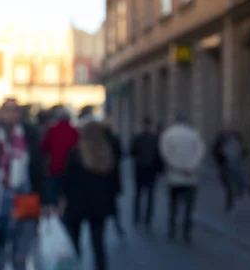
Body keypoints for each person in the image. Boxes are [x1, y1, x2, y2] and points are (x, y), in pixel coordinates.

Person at [0, 98, 44, 270]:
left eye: (14, 110)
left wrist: (46, 198)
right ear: (0, 113)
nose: (10, 114)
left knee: (20, 258)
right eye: (7, 110)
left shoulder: (30, 134)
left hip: (25, 199)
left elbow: (39, 168)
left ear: (19, 114)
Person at [61, 121, 120, 270]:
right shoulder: (107, 153)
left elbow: (67, 180)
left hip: (77, 203)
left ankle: (75, 267)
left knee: (75, 242)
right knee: (98, 244)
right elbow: (115, 183)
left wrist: (64, 199)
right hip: (100, 205)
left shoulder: (76, 153)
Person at [160, 114, 206, 243]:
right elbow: (200, 152)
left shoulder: (167, 134)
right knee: (189, 206)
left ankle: (172, 229)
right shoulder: (194, 134)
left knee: (173, 205)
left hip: (174, 177)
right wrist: (190, 166)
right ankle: (186, 231)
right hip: (191, 177)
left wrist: (178, 167)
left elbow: (165, 154)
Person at [41, 109, 79, 213]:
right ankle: (65, 211)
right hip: (70, 168)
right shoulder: (74, 131)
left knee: (53, 192)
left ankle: (54, 212)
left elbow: (44, 147)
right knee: (68, 193)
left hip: (55, 166)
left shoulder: (52, 130)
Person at [130, 117, 162, 229]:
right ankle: (148, 218)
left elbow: (131, 152)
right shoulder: (154, 138)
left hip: (140, 168)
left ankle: (137, 216)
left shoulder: (137, 137)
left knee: (138, 193)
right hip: (151, 169)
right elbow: (158, 155)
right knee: (150, 194)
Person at [212, 123, 246, 212]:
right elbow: (214, 150)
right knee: (227, 183)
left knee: (238, 178)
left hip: (236, 163)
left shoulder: (238, 136)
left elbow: (244, 149)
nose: (230, 128)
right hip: (225, 164)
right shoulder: (221, 137)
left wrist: (242, 152)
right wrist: (220, 154)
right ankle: (230, 200)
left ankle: (239, 191)